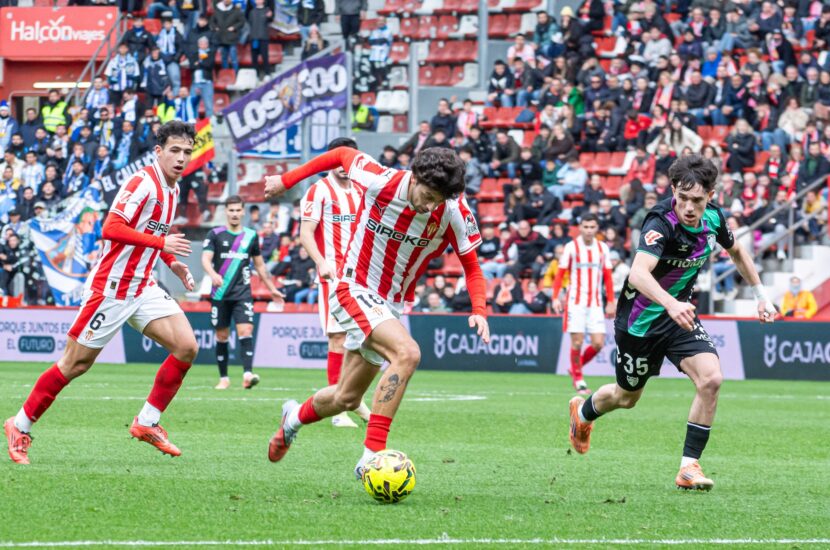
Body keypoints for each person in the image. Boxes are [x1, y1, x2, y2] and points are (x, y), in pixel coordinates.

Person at [262, 146, 490, 479]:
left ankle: (292, 419)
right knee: (407, 353)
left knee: (346, 397)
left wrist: (480, 309)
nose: (429, 206)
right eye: (427, 195)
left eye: (437, 201)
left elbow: (472, 266)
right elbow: (340, 154)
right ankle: (372, 456)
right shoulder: (380, 180)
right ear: (414, 178)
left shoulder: (453, 210)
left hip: (391, 304)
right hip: (353, 286)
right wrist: (286, 180)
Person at [568, 154, 776, 490]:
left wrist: (760, 295)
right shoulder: (659, 222)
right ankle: (583, 413)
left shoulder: (714, 218)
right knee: (626, 398)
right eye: (683, 198)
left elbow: (737, 252)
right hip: (640, 323)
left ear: (711, 195)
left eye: (697, 200)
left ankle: (688, 467)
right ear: (674, 190)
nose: (689, 207)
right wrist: (669, 302)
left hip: (677, 320)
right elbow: (638, 273)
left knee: (711, 380)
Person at [4, 121, 201, 465]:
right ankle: (19, 425)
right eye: (174, 150)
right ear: (159, 151)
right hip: (111, 288)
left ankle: (147, 422)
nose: (181, 158)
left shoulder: (174, 189)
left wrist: (170, 261)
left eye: (187, 152)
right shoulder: (142, 183)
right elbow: (111, 228)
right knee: (74, 364)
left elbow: (155, 231)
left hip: (142, 284)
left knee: (187, 347)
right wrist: (160, 243)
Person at [299, 137, 372, 428]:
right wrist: (321, 261)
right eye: (338, 161)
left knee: (364, 339)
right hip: (333, 276)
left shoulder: (363, 190)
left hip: (362, 276)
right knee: (338, 337)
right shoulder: (318, 191)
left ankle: (353, 399)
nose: (344, 167)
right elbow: (306, 234)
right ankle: (338, 409)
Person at [202, 195, 283, 390]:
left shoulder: (251, 235)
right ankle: (224, 378)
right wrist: (212, 274)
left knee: (246, 331)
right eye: (231, 210)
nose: (235, 214)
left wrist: (273, 290)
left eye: (238, 210)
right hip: (220, 293)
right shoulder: (215, 234)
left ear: (243, 211)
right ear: (226, 212)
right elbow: (205, 259)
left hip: (243, 293)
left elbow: (261, 266)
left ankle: (247, 374)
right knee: (222, 335)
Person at [551, 214, 615, 394]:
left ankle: (574, 368)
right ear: (580, 228)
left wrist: (610, 300)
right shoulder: (571, 247)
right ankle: (578, 379)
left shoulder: (602, 248)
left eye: (592, 227)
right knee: (577, 342)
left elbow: (608, 277)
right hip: (575, 302)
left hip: (595, 303)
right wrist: (555, 297)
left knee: (598, 344)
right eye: (585, 227)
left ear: (597, 228)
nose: (588, 230)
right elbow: (560, 274)